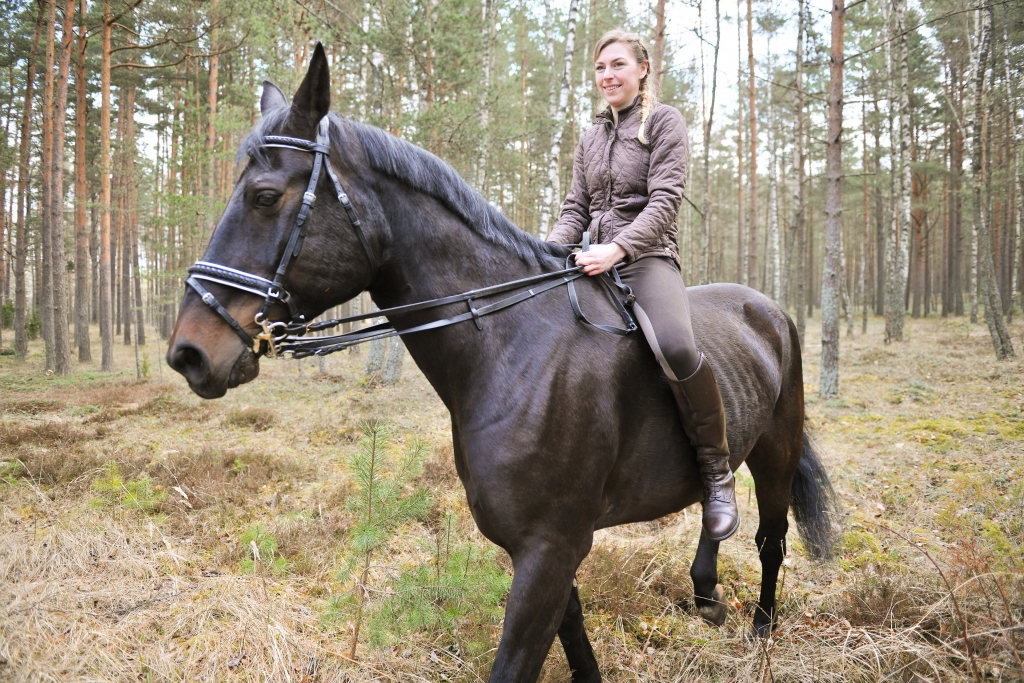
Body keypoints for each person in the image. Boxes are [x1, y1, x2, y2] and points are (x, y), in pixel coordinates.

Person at [547, 29, 739, 542]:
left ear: (642, 69)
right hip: (590, 260)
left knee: (675, 345)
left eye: (617, 65)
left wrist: (618, 249)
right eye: (600, 68)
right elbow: (575, 210)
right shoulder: (589, 136)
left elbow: (665, 202)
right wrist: (545, 254)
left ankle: (717, 473)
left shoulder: (664, 122)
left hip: (646, 259)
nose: (607, 76)